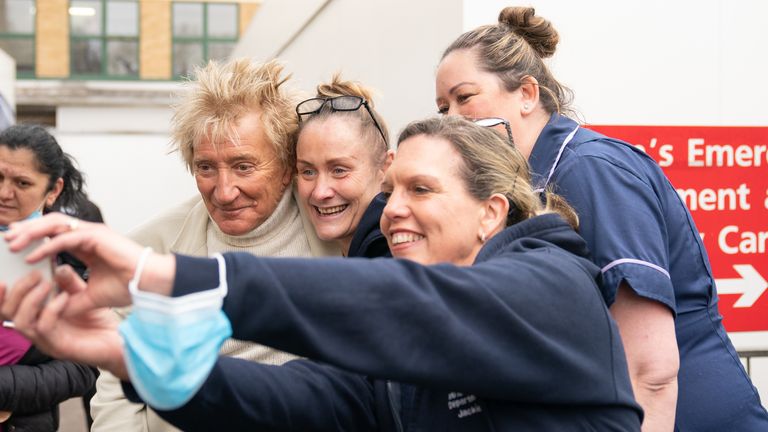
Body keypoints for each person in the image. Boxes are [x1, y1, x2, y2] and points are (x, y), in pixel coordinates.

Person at [2, 116, 643, 431]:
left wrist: (168, 274)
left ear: (490, 213)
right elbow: (296, 399)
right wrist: (127, 354)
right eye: (391, 189)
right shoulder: (402, 359)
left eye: (421, 188)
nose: (393, 209)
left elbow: (413, 307)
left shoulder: (553, 286)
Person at [433, 6, 768, 431]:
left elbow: (651, 370)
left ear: (526, 94)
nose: (451, 120)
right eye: (443, 107)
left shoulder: (590, 170)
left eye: (465, 98)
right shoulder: (527, 185)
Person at [88, 58, 340, 432]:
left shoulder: (338, 239)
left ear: (287, 166)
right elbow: (115, 395)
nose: (223, 192)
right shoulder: (149, 250)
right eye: (206, 168)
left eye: (243, 166)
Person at [0, 124, 98, 431]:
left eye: (22, 183)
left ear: (52, 190)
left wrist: (6, 387)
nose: (4, 193)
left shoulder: (73, 255)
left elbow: (83, 368)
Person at [295, 75, 392, 258]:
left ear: (386, 168)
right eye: (308, 172)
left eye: (339, 170)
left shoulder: (393, 254)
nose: (320, 192)